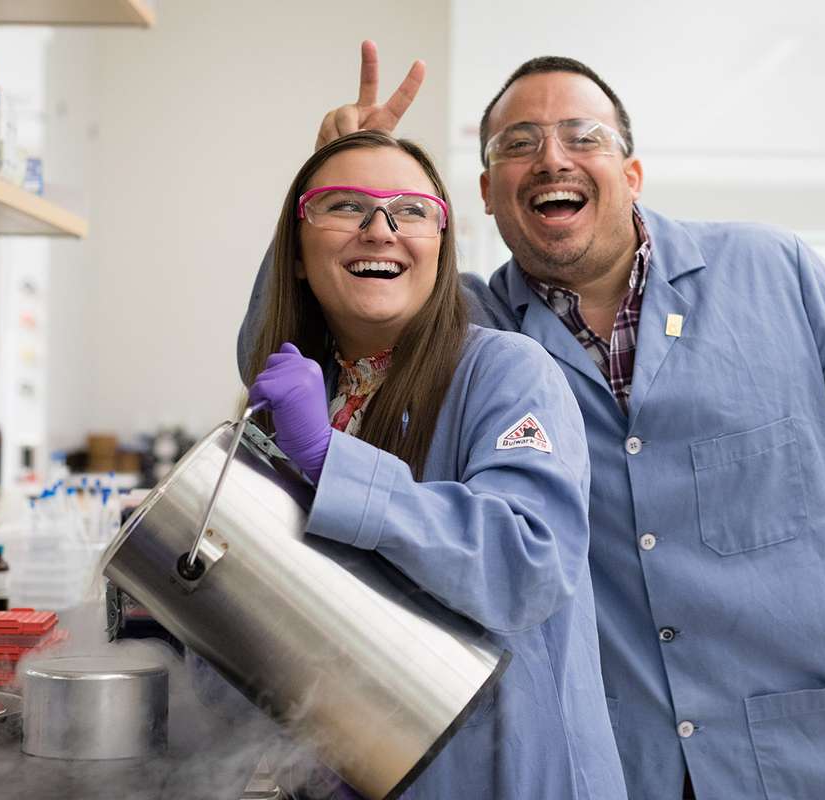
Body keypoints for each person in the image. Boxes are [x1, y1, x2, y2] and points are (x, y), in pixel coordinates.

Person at [241, 43, 825, 800]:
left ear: (631, 175)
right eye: (518, 145)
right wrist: (341, 181)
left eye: (583, 136)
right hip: (639, 763)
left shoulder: (774, 271)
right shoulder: (473, 330)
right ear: (488, 194)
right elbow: (287, 351)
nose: (550, 158)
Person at [243, 129, 628, 799]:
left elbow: (525, 563)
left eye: (412, 210)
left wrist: (330, 461)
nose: (380, 228)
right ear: (297, 254)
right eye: (343, 206)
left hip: (502, 776)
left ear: (443, 248)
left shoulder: (508, 372)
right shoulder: (305, 394)